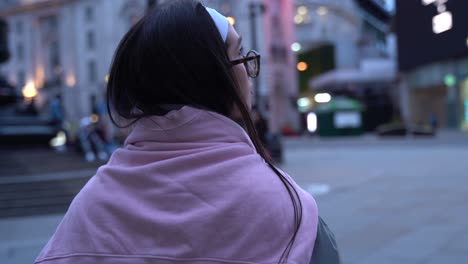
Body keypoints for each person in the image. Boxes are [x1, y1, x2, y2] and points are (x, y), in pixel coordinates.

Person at [35, 1, 321, 263]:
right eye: (238, 55)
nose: (247, 69)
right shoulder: (288, 204)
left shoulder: (90, 208)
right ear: (205, 75)